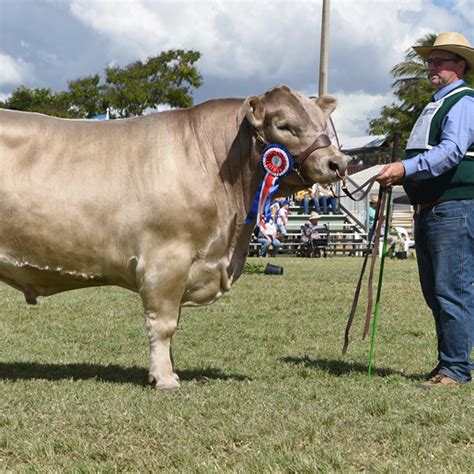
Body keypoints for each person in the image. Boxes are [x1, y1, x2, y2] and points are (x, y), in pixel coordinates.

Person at [376, 32, 474, 387]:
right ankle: (451, 362)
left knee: (451, 290)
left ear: (459, 66)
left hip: (454, 207)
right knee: (437, 292)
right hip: (430, 208)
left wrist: (404, 169)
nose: (430, 67)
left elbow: (450, 152)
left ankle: (456, 369)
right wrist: (401, 173)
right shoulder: (435, 104)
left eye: (439, 61)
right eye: (429, 61)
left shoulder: (463, 101)